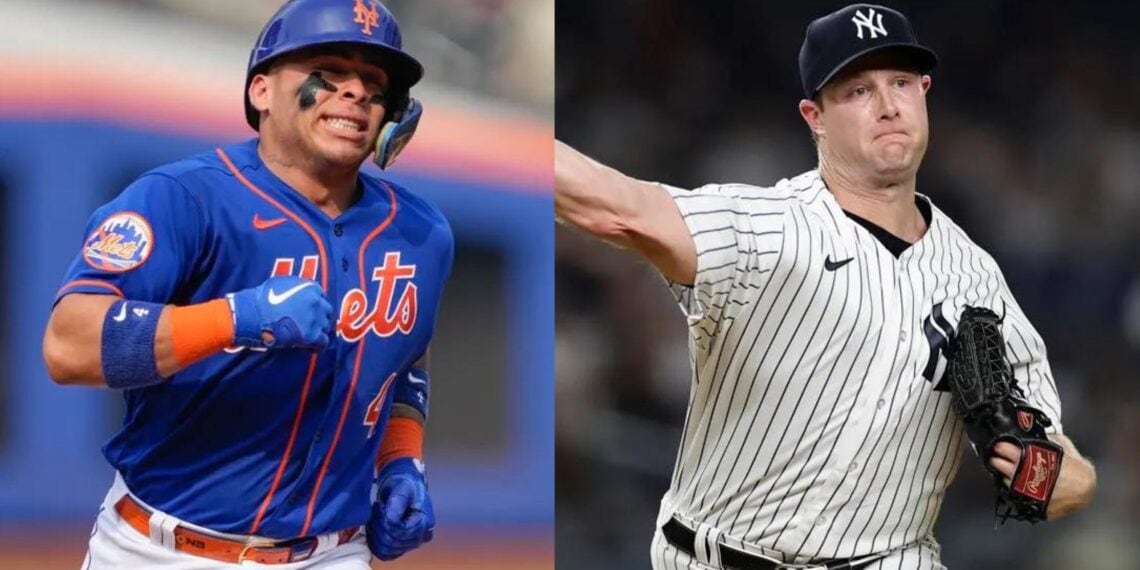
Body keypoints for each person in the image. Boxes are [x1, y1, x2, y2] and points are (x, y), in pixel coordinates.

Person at [555, 4, 1096, 569]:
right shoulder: (767, 228)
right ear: (814, 116)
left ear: (925, 92)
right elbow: (619, 209)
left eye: (902, 83)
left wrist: (1039, 468)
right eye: (858, 91)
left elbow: (1069, 479)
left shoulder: (977, 280)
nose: (889, 106)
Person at [41, 0, 453, 567]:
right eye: (328, 73)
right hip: (163, 549)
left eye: (374, 82)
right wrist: (230, 318)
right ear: (261, 91)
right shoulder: (183, 198)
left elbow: (406, 359)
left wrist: (402, 461)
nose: (355, 92)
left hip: (331, 554)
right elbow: (68, 345)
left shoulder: (420, 233)